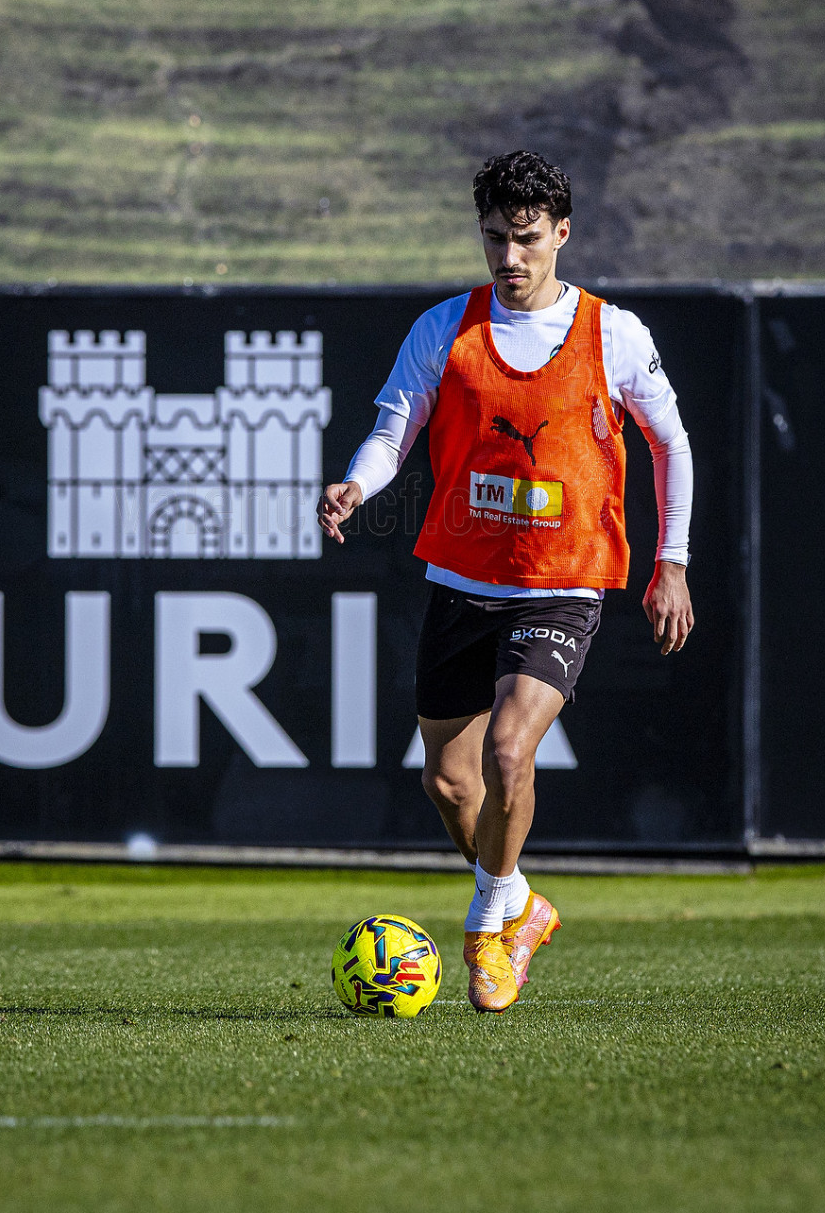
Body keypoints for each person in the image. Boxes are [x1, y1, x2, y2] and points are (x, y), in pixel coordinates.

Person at [318, 150, 694, 1013]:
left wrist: (671, 562)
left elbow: (670, 443)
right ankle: (523, 901)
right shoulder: (444, 328)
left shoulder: (614, 335)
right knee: (451, 785)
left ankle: (487, 930)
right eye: (495, 237)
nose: (509, 256)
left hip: (563, 583)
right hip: (461, 582)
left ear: (562, 233)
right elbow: (394, 431)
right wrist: (356, 484)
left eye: (526, 238)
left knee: (509, 749)